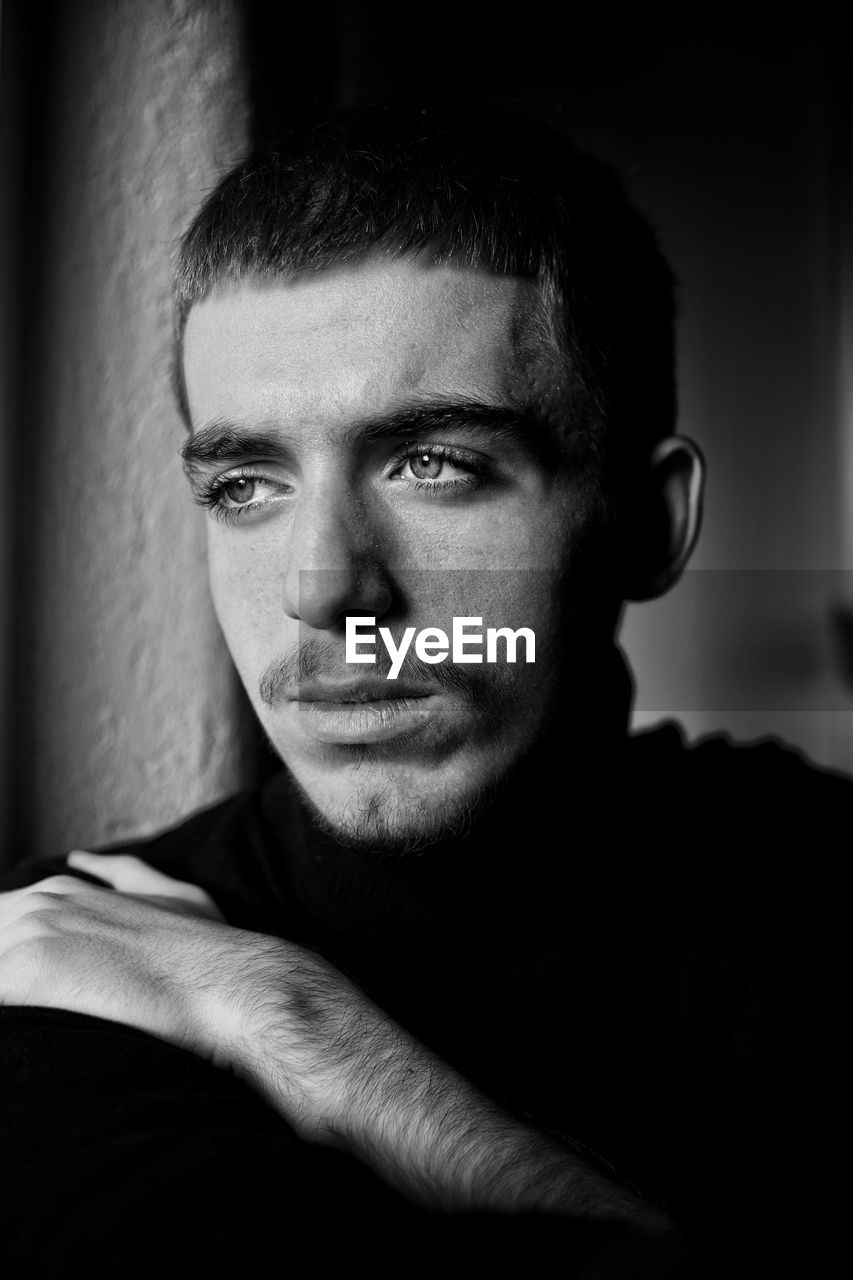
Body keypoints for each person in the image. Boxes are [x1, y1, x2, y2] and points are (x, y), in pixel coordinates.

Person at [0, 100, 845, 1276]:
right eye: (245, 482)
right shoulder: (77, 946)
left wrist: (291, 1022)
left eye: (434, 462)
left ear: (647, 526)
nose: (323, 590)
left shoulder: (814, 885)